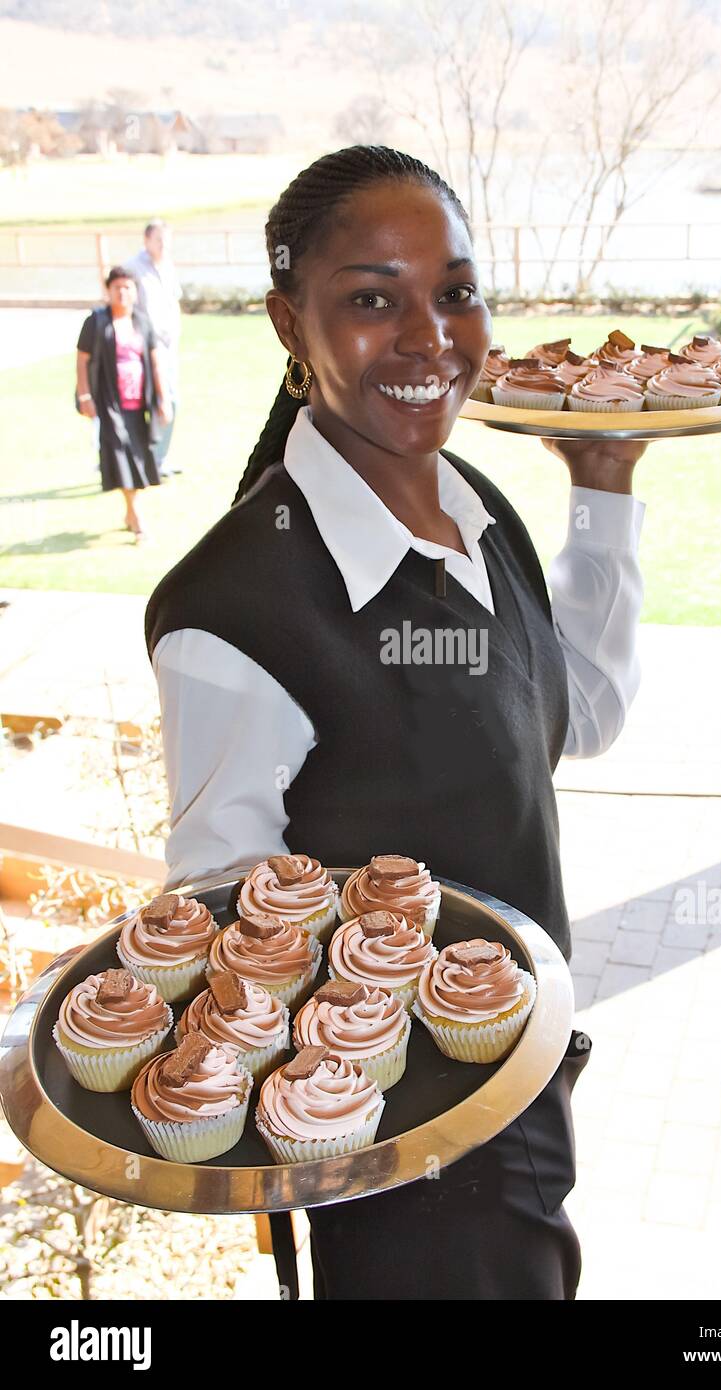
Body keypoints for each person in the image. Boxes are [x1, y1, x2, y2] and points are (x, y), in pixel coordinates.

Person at [144, 145, 649, 1300]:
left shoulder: (479, 508)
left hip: (525, 1086)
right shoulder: (234, 611)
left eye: (455, 292)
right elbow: (230, 925)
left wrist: (606, 487)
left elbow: (579, 717)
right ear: (289, 322)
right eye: (373, 299)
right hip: (398, 1162)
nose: (431, 337)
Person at [76, 267, 171, 541]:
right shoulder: (96, 322)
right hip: (109, 401)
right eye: (117, 287)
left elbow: (155, 361)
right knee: (119, 452)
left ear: (135, 291)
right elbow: (82, 360)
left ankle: (130, 509)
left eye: (128, 287)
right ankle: (135, 513)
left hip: (139, 401)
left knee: (139, 454)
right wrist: (85, 396)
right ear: (108, 290)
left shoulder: (142, 321)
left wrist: (163, 399)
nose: (122, 292)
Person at [126, 220, 182, 478]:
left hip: (168, 347)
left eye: (166, 240)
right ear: (146, 240)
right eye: (159, 239)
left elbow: (174, 301)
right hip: (145, 348)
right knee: (157, 400)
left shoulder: (167, 266)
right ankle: (144, 459)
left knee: (170, 401)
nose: (164, 245)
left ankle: (159, 458)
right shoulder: (133, 270)